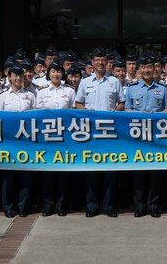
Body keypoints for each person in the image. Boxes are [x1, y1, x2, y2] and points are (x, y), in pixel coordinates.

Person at [74, 47, 124, 218]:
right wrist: (87, 112)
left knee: (110, 172)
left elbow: (122, 104)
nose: (100, 63)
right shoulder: (85, 82)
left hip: (110, 133)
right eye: (97, 60)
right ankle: (92, 206)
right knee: (92, 171)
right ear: (93, 63)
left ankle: (109, 206)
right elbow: (78, 103)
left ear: (107, 62)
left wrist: (114, 112)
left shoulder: (115, 81)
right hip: (91, 134)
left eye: (103, 60)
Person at [125, 55, 167, 218]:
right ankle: (140, 206)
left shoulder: (163, 88)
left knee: (155, 172)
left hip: (157, 138)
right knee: (139, 172)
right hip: (138, 137)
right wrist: (138, 115)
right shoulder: (131, 89)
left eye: (149, 68)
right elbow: (126, 109)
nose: (146, 70)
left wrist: (158, 116)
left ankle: (153, 206)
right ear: (138, 70)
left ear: (154, 69)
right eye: (143, 68)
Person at [0, 65, 36, 217]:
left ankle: (23, 206)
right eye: (15, 75)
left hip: (27, 142)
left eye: (21, 75)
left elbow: (37, 118)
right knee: (8, 177)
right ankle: (8, 207)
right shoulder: (3, 96)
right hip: (8, 143)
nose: (18, 78)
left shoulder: (31, 95)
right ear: (9, 77)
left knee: (26, 175)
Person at [36, 60, 75, 216]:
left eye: (59, 71)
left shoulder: (70, 91)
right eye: (53, 71)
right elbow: (37, 114)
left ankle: (61, 205)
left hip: (65, 137)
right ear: (48, 73)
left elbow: (73, 114)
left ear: (63, 73)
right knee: (47, 174)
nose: (56, 74)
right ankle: (47, 206)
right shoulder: (42, 92)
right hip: (47, 138)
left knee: (62, 174)